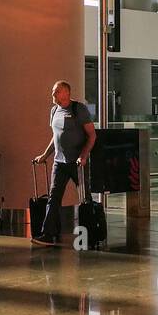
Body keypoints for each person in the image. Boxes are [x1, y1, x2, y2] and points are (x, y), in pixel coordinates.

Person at [31, 80, 96, 247]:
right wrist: (45, 155)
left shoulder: (78, 109)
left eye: (56, 92)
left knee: (85, 198)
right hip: (59, 162)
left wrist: (83, 156)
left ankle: (90, 234)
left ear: (66, 93)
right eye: (53, 92)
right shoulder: (54, 111)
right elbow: (56, 137)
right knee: (53, 198)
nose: (53, 95)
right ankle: (48, 234)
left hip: (76, 164)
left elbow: (92, 135)